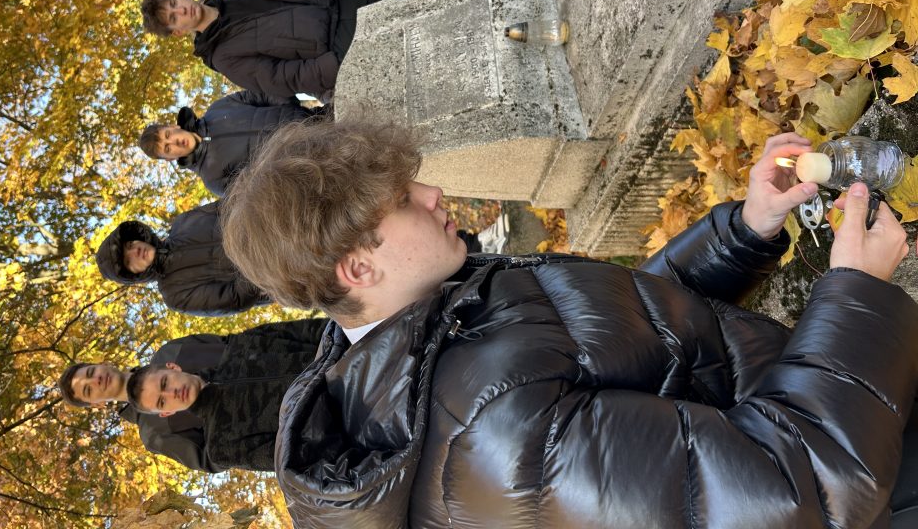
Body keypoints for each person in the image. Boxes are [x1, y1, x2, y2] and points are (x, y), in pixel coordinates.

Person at [219, 118, 918, 528]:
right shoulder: (489, 438)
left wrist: (744, 230)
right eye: (404, 199)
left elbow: (626, 329)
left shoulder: (445, 310)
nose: (434, 194)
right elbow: (791, 494)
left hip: (854, 407)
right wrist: (855, 296)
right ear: (358, 268)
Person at [57, 322, 324, 472]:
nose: (95, 380)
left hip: (302, 359)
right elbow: (212, 458)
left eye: (90, 373)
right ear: (95, 403)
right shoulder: (154, 433)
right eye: (88, 390)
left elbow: (231, 341)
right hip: (302, 418)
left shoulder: (169, 351)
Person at [139, 0, 403, 98]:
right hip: (343, 46)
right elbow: (282, 79)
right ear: (177, 32)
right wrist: (336, 63)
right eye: (173, 18)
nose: (181, 11)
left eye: (174, 3)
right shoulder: (223, 57)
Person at [97, 201, 268, 316]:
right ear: (134, 274)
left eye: (129, 245)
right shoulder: (175, 294)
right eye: (128, 261)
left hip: (271, 218)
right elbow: (235, 298)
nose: (135, 251)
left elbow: (232, 203)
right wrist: (260, 260)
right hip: (276, 269)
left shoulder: (183, 222)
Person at [138, 90, 318, 195]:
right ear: (170, 158)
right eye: (168, 148)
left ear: (172, 126)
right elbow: (261, 192)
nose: (175, 141)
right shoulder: (212, 178)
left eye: (168, 135)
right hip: (315, 157)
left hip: (314, 117)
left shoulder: (217, 108)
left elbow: (258, 94)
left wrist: (292, 108)